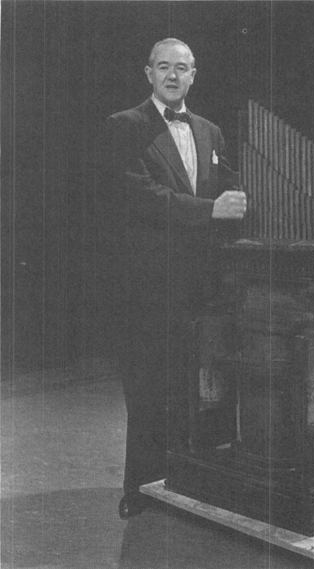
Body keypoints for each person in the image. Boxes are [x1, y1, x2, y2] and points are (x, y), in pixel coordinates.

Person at [97, 38, 246, 519]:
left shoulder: (211, 131)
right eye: (164, 67)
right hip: (147, 286)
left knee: (195, 389)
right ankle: (139, 490)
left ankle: (189, 484)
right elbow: (140, 196)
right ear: (149, 73)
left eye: (182, 68)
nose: (173, 76)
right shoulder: (124, 126)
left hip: (202, 287)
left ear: (194, 75)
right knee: (147, 392)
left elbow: (231, 190)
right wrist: (211, 210)